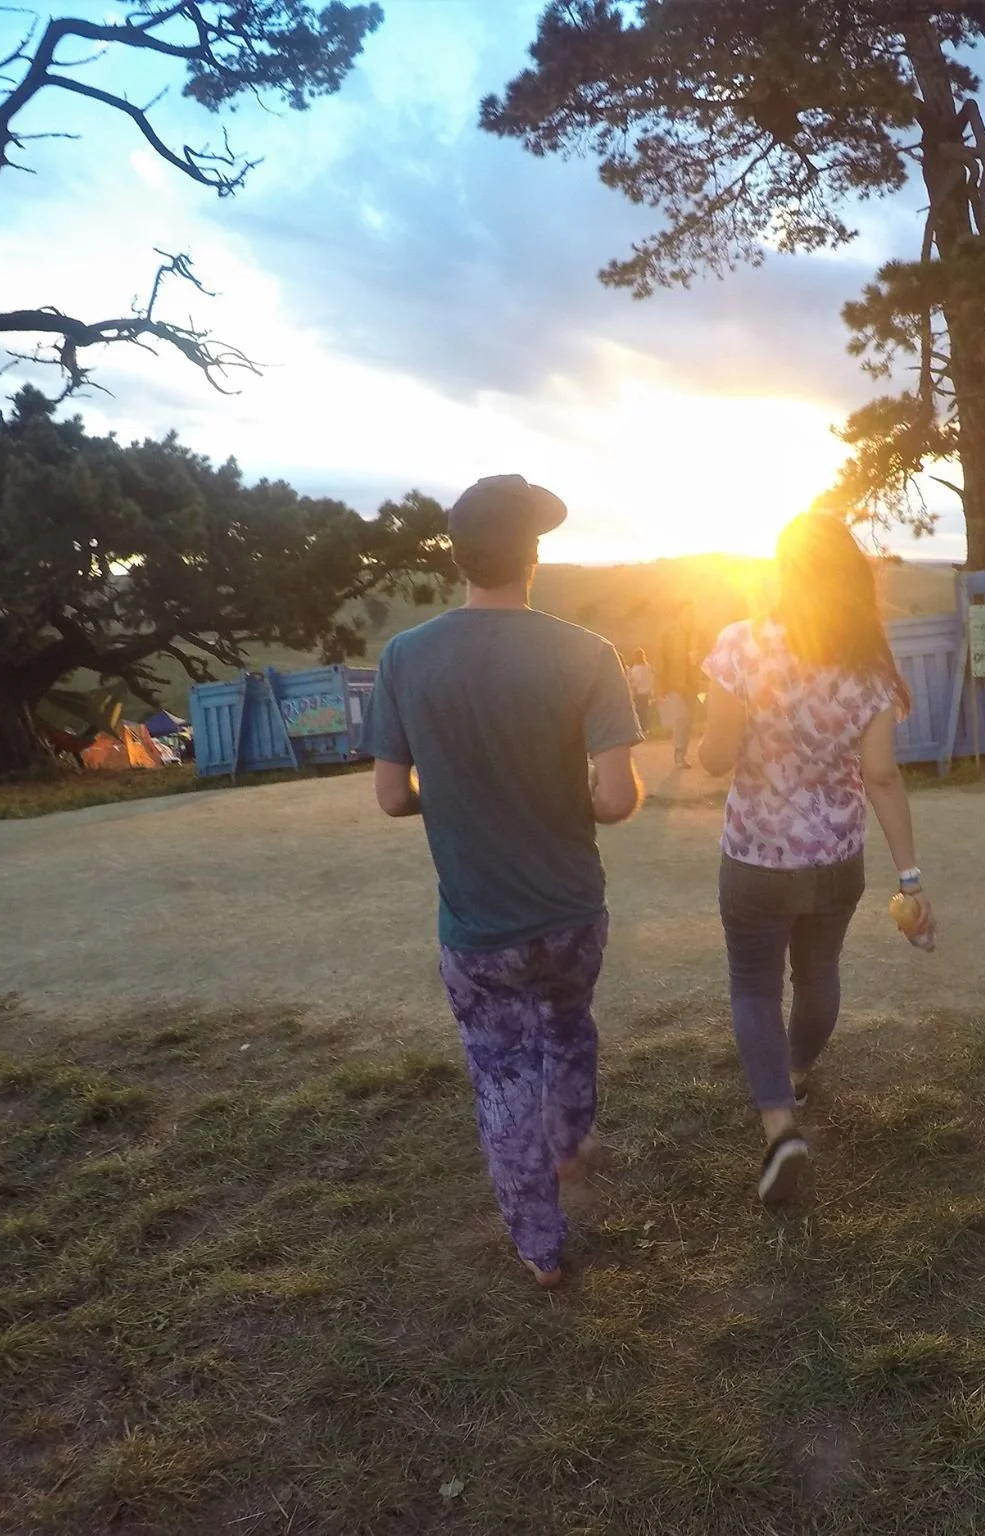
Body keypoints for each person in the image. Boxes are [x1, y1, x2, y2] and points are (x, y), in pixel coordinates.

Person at [365, 474, 643, 1289]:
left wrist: (448, 790)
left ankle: (540, 1246)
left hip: (478, 926)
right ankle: (569, 1142)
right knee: (568, 1022)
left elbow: (389, 796)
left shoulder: (405, 659)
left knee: (501, 1072)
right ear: (532, 556)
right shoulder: (588, 654)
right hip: (570, 910)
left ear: (459, 557)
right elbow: (617, 798)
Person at [697, 512, 935, 1205]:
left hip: (755, 858)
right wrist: (912, 878)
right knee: (819, 973)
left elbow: (714, 758)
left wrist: (730, 735)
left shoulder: (740, 647)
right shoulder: (870, 670)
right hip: (837, 857)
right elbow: (882, 777)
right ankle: (796, 1067)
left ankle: (781, 1126)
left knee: (752, 986)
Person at [657, 602, 701, 768]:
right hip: (675, 683)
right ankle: (678, 754)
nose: (691, 617)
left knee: (688, 720)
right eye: (688, 613)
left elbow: (706, 655)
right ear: (680, 615)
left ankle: (682, 754)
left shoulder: (697, 634)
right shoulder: (669, 634)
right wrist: (660, 687)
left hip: (692, 683)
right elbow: (661, 661)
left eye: (692, 613)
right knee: (681, 718)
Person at [626, 648, 654, 732]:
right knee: (645, 710)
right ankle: (646, 727)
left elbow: (635, 681)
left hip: (639, 692)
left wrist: (633, 691)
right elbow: (651, 678)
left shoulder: (636, 668)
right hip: (647, 691)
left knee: (638, 711)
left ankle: (640, 728)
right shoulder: (648, 666)